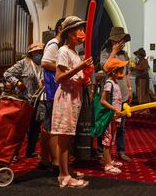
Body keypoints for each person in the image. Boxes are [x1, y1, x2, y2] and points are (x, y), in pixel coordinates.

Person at [51, 16, 92, 188]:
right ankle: (63, 175)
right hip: (66, 98)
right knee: (64, 138)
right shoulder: (63, 51)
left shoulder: (74, 53)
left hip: (74, 97)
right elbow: (59, 78)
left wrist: (85, 77)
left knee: (69, 137)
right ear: (69, 33)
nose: (83, 34)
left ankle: (67, 169)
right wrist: (79, 68)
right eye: (79, 30)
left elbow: (76, 76)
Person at [4, 42, 44, 160]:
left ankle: (30, 151)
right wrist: (18, 83)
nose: (40, 54)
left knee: (35, 128)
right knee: (19, 129)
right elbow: (7, 74)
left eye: (41, 52)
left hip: (37, 101)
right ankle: (14, 153)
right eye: (37, 52)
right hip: (23, 100)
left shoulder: (42, 65)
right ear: (31, 52)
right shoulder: (23, 63)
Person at [99, 27, 132, 162]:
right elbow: (105, 67)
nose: (122, 43)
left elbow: (127, 73)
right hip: (110, 92)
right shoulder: (105, 53)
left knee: (121, 125)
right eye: (121, 40)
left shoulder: (125, 55)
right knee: (106, 124)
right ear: (114, 40)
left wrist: (130, 89)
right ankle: (102, 152)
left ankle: (121, 150)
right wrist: (114, 51)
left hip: (122, 92)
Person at [39, 17, 65, 171]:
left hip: (53, 91)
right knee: (52, 127)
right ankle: (55, 161)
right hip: (52, 91)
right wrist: (63, 69)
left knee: (48, 126)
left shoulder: (57, 45)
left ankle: (44, 159)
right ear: (61, 28)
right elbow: (45, 62)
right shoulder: (54, 44)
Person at [100, 58, 128, 174]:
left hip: (115, 117)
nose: (122, 72)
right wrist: (114, 109)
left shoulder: (115, 83)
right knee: (107, 141)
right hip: (109, 116)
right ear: (113, 71)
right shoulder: (109, 84)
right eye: (120, 70)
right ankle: (107, 165)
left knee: (111, 140)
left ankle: (110, 160)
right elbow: (103, 101)